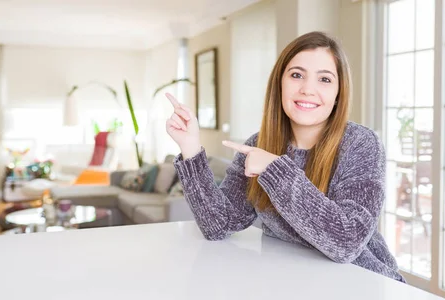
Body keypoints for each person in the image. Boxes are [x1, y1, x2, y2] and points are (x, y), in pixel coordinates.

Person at [164, 31, 405, 283]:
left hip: (368, 285)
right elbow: (218, 224)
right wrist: (190, 147)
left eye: (324, 79)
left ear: (338, 94)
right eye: (297, 75)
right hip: (295, 285)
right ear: (280, 83)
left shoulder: (360, 144)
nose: (308, 89)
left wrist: (275, 170)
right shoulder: (259, 144)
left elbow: (346, 242)